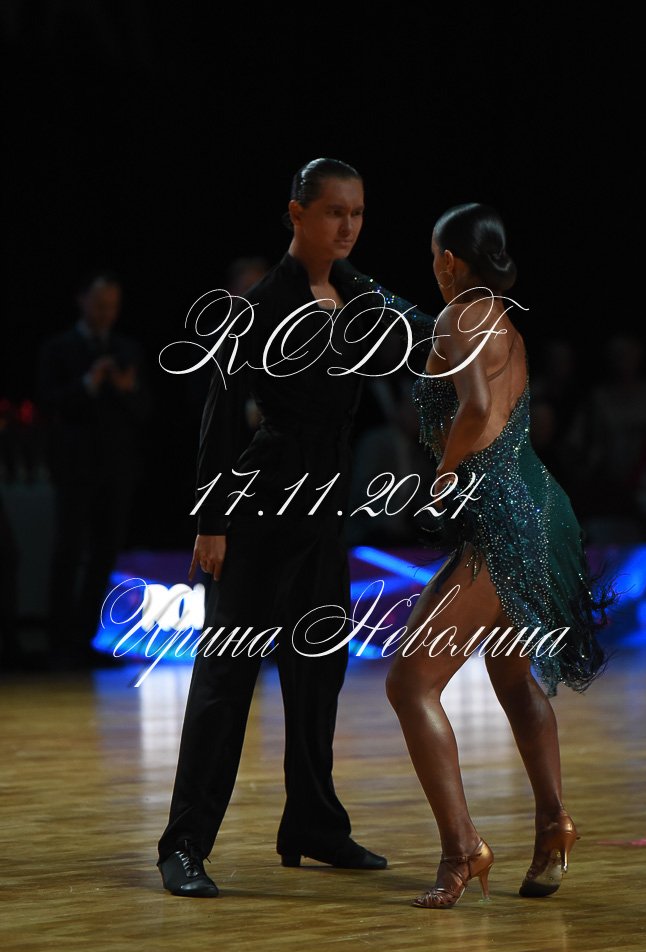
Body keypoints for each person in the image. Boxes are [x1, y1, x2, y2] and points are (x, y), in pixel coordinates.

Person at [156, 157, 432, 897]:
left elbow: (424, 337)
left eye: (358, 213)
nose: (348, 226)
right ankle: (184, 843)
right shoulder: (256, 306)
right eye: (335, 211)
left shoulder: (359, 293)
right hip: (260, 506)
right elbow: (219, 417)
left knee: (319, 673)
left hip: (325, 507)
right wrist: (211, 520)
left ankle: (313, 823)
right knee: (226, 679)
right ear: (297, 213)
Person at [386, 204, 615, 909]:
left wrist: (442, 474)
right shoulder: (504, 322)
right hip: (542, 506)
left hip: (503, 519)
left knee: (410, 684)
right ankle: (553, 825)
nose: (433, 266)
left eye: (434, 255)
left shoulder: (458, 317)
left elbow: (479, 410)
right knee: (512, 677)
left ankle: (462, 849)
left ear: (449, 260)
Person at [37, 271, 152, 663]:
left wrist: (126, 388)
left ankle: (87, 639)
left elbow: (145, 411)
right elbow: (48, 401)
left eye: (113, 306)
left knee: (105, 553)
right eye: (100, 305)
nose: (107, 313)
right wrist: (88, 383)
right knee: (68, 551)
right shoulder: (58, 349)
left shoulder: (127, 349)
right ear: (82, 300)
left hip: (116, 469)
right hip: (75, 467)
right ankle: (59, 643)